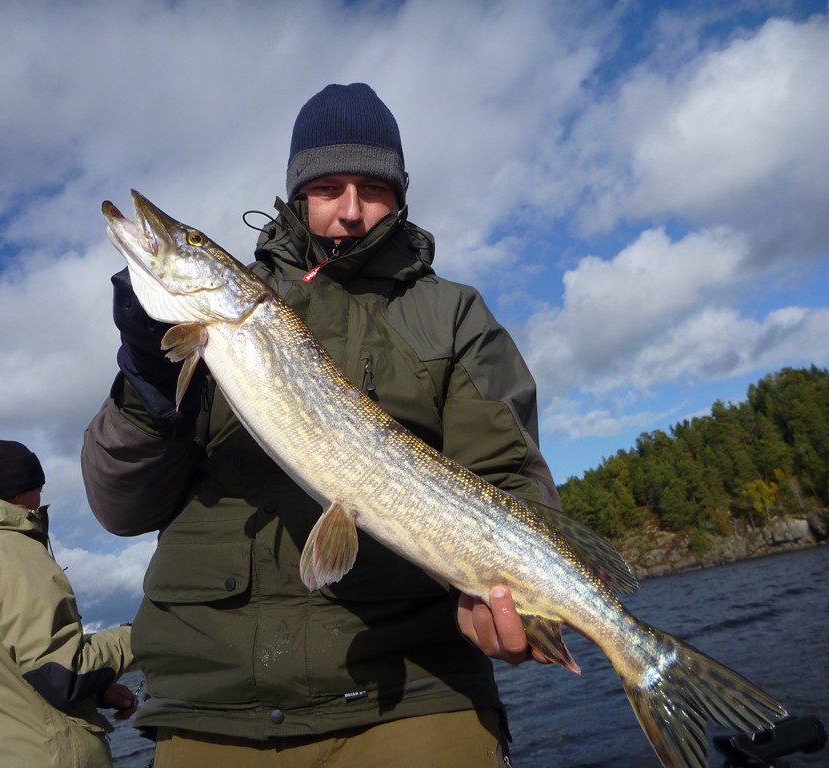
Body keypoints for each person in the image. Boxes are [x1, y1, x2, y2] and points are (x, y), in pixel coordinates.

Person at [82, 83, 560, 767]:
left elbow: (506, 477)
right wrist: (147, 386)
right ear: (297, 194)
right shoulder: (225, 324)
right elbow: (121, 509)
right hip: (212, 701)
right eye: (328, 187)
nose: (351, 210)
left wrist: (510, 598)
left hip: (414, 690)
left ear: (400, 197)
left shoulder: (452, 315)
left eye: (374, 188)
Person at [0, 439, 136, 768]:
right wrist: (140, 635)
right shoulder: (10, 549)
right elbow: (62, 674)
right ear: (18, 493)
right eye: (39, 490)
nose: (40, 501)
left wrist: (96, 692)